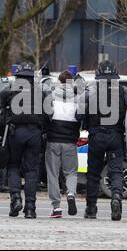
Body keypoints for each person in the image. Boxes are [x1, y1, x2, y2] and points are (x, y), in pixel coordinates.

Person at [77, 60, 127, 221]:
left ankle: (91, 208)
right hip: (115, 136)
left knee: (93, 174)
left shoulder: (90, 92)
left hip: (96, 137)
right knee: (116, 172)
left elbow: (79, 116)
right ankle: (116, 198)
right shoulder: (124, 92)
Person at [0, 62, 49, 219]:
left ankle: (15, 198)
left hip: (15, 132)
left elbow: (1, 112)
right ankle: (30, 208)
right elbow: (48, 115)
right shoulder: (41, 93)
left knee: (13, 166)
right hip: (34, 133)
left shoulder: (8, 92)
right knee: (31, 171)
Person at [45, 70, 81, 218]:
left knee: (52, 174)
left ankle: (56, 207)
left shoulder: (51, 96)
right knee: (71, 172)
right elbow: (81, 118)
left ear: (59, 82)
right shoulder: (78, 98)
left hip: (53, 140)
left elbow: (46, 117)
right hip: (70, 142)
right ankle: (71, 193)